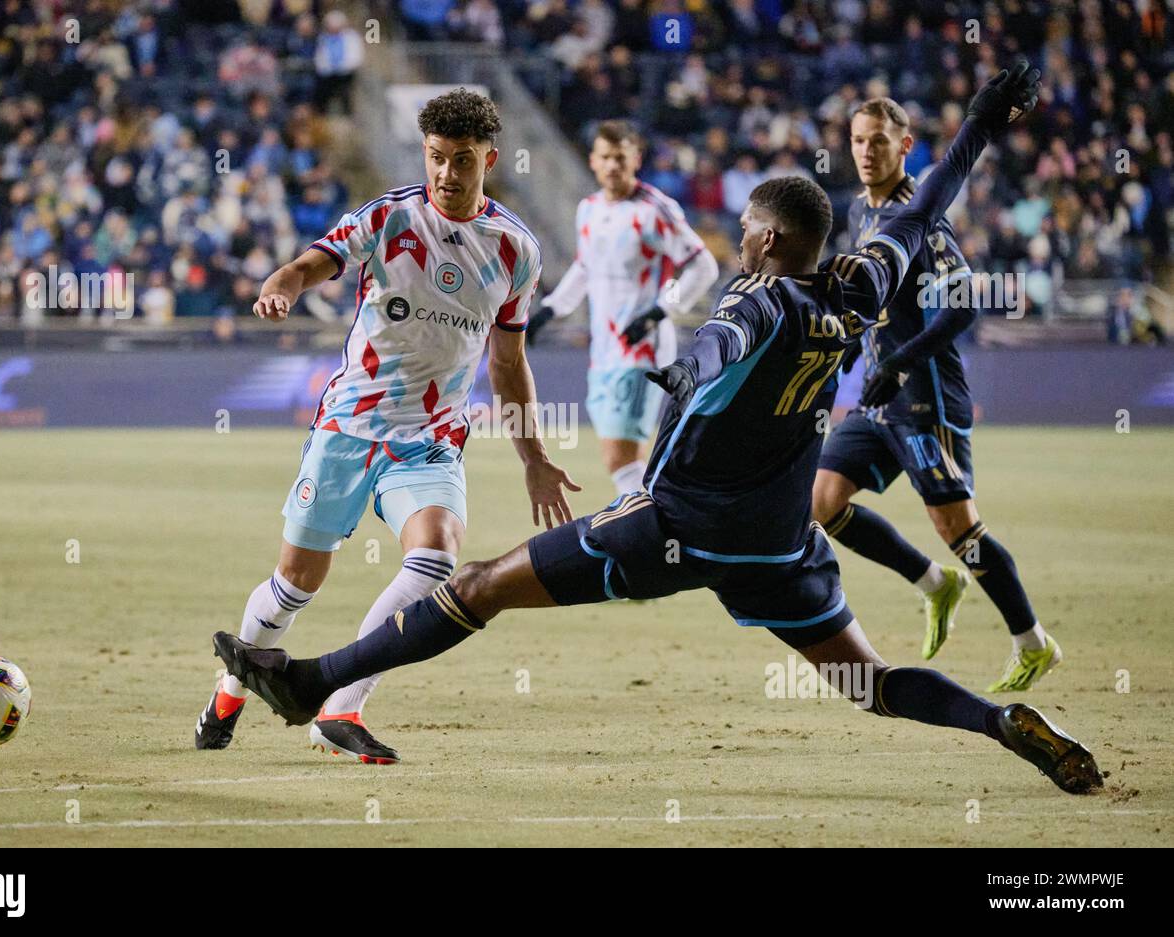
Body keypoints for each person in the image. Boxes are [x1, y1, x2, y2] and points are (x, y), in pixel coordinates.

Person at [215, 63, 1103, 796]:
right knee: (871, 684)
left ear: (760, 239)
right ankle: (995, 718)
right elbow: (927, 204)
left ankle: (315, 682)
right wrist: (983, 115)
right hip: (781, 549)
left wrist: (685, 368)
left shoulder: (754, 299)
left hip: (674, 526)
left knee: (479, 586)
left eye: (747, 233)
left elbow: (727, 340)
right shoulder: (859, 288)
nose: (741, 245)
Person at [195, 89, 580, 763]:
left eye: (462, 160)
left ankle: (340, 706)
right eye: (436, 157)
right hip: (350, 428)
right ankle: (231, 687)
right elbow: (310, 261)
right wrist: (284, 285)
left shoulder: (516, 250)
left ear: (489, 159)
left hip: (429, 440)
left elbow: (509, 361)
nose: (447, 174)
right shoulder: (387, 217)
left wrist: (533, 457)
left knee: (436, 557)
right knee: (294, 585)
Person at [813, 97, 1060, 692]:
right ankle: (933, 583)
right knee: (822, 502)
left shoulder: (919, 214)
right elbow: (870, 299)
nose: (867, 151)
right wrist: (852, 345)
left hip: (926, 392)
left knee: (958, 528)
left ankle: (1032, 642)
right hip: (879, 393)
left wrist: (900, 361)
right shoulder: (857, 211)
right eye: (858, 140)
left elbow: (964, 304)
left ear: (905, 147)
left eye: (879, 141)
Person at [527, 120, 719, 496]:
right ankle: (654, 521)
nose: (613, 165)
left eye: (620, 157)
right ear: (593, 162)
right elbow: (586, 265)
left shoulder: (654, 210)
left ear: (636, 159)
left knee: (621, 455)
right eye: (605, 157)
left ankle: (643, 533)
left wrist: (660, 311)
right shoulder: (589, 209)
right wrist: (552, 309)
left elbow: (703, 267)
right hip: (604, 347)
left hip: (642, 348)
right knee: (619, 456)